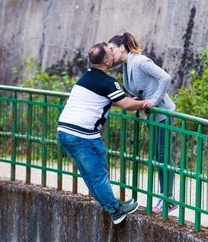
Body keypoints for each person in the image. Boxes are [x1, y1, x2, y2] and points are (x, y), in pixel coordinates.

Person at [57, 42, 155, 224]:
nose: (114, 50)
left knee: (88, 175)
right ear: (107, 61)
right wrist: (146, 103)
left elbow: (117, 99)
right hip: (83, 135)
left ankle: (110, 205)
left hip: (64, 131)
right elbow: (126, 105)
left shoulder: (86, 77)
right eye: (111, 51)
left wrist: (127, 99)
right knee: (98, 175)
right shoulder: (108, 82)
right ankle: (115, 210)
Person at [108, 32, 177, 214]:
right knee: (158, 156)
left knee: (163, 157)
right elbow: (139, 89)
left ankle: (168, 199)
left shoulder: (139, 61)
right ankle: (166, 197)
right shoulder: (127, 65)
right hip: (152, 116)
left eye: (112, 49)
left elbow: (165, 77)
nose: (110, 53)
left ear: (122, 48)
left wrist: (154, 99)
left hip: (162, 113)